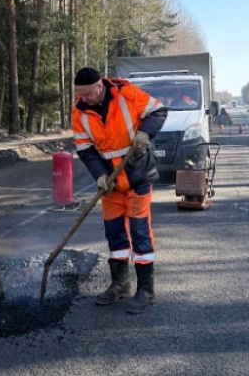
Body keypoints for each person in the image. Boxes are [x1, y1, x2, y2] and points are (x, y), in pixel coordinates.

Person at [72, 67, 167, 314]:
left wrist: (146, 132)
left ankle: (146, 291)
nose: (84, 99)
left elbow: (158, 110)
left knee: (139, 233)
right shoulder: (79, 112)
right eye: (80, 94)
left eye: (88, 93)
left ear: (100, 86)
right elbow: (85, 149)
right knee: (115, 235)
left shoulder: (127, 94)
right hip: (111, 183)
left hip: (137, 174)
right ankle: (120, 284)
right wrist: (100, 176)